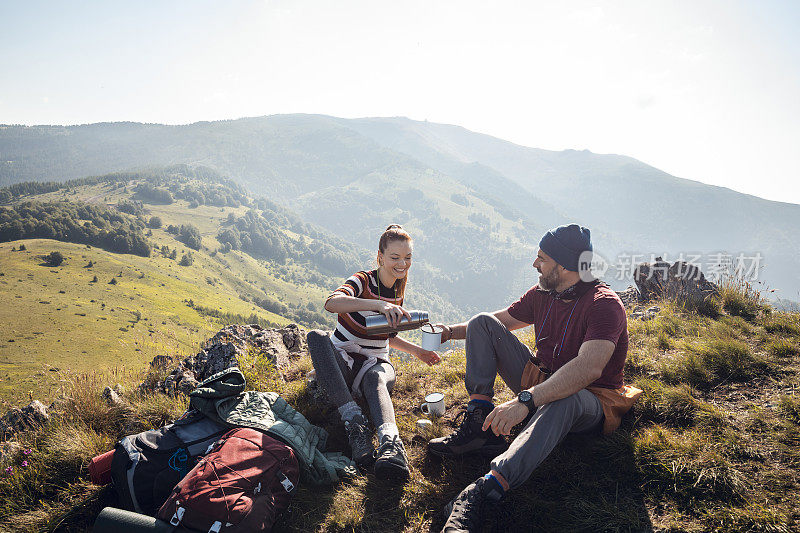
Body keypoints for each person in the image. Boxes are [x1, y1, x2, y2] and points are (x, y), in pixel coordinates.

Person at [429, 223, 642, 532]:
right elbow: (499, 322)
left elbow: (588, 369)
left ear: (566, 264)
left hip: (590, 399)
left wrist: (525, 401)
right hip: (542, 378)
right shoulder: (544, 293)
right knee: (481, 323)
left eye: (542, 258)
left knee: (564, 396)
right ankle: (479, 425)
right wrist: (449, 332)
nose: (535, 264)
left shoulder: (604, 305)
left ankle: (485, 488)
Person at [307, 224, 441, 481]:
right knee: (316, 337)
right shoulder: (363, 280)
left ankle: (391, 444)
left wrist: (418, 352)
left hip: (375, 362)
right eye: (395, 257)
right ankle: (355, 423)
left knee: (376, 378)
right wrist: (378, 304)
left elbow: (387, 337)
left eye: (408, 258)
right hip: (343, 358)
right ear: (380, 257)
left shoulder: (398, 292)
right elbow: (331, 303)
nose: (402, 264)